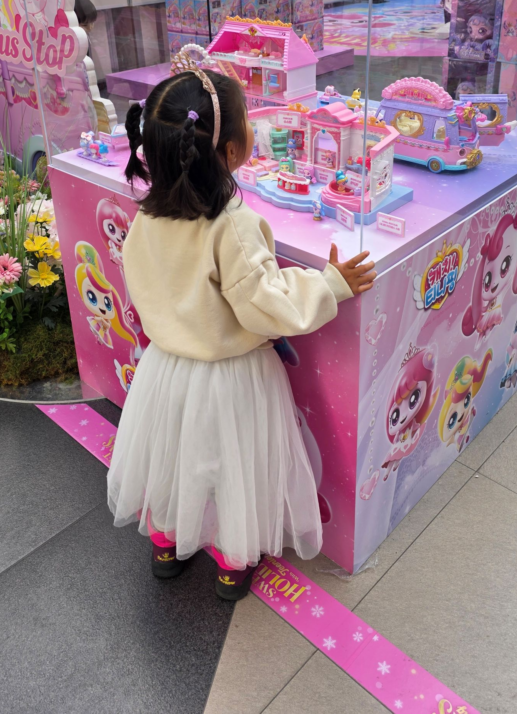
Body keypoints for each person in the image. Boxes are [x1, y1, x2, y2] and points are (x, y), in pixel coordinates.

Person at [106, 68, 376, 600]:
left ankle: (166, 542)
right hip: (232, 379)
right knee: (233, 467)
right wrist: (329, 285)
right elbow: (265, 305)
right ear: (231, 151)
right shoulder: (232, 224)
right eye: (249, 120)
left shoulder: (147, 216)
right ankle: (232, 563)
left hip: (167, 371)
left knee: (177, 457)